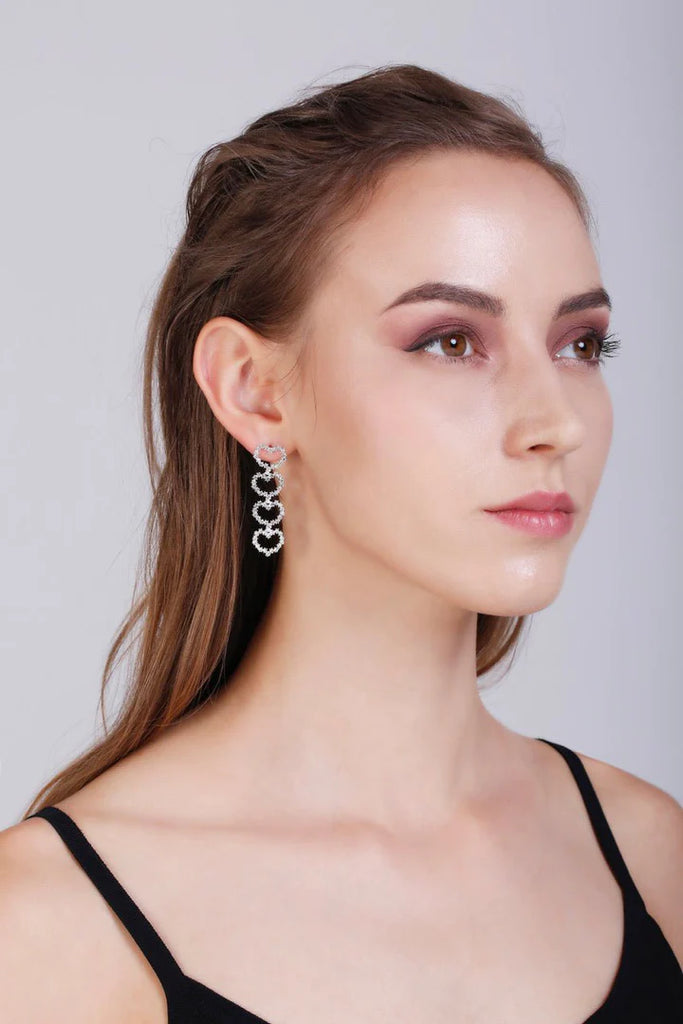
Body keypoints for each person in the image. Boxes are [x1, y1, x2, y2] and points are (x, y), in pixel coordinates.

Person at [1, 63, 681, 1023]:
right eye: (450, 341)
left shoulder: (652, 856)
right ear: (253, 390)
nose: (556, 422)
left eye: (579, 345)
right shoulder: (45, 928)